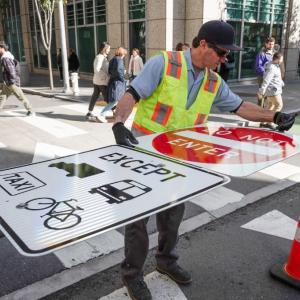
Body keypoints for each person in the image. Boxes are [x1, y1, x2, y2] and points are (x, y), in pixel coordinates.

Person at [111, 20, 296, 300]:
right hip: (145, 158)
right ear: (203, 45)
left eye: (227, 55)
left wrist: (274, 116)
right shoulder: (164, 63)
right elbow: (131, 94)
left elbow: (240, 106)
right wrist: (118, 123)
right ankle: (132, 276)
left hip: (181, 160)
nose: (225, 59)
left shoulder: (212, 81)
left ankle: (166, 261)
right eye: (222, 53)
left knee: (173, 216)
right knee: (138, 222)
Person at [0, 41, 34, 116]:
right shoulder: (6, 57)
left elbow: (11, 71)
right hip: (8, 82)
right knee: (2, 97)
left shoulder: (5, 58)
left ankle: (30, 110)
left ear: (2, 48)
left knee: (21, 97)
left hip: (11, 82)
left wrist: (12, 82)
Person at [97, 46, 127, 123]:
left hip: (113, 82)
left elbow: (110, 71)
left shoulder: (113, 59)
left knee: (116, 100)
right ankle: (102, 114)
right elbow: (119, 71)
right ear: (122, 53)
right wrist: (123, 76)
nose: (124, 56)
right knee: (114, 101)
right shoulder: (119, 60)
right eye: (124, 54)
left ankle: (116, 114)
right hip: (117, 83)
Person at [258, 52, 285, 129]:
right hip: (273, 91)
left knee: (271, 106)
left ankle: (263, 122)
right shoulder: (272, 67)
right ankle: (270, 122)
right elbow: (266, 79)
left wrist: (282, 83)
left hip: (272, 90)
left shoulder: (273, 65)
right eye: (281, 59)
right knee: (279, 105)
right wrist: (261, 91)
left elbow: (277, 78)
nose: (282, 61)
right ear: (278, 59)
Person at [86, 42, 111, 122]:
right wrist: (105, 76)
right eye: (108, 49)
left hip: (97, 81)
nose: (109, 50)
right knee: (108, 98)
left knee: (95, 97)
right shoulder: (100, 57)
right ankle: (111, 113)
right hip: (101, 82)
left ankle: (89, 112)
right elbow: (97, 69)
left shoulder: (101, 57)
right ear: (104, 49)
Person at [255, 37, 275, 106]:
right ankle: (259, 109)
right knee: (262, 93)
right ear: (266, 44)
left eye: (272, 44)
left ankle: (265, 109)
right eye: (269, 44)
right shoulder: (262, 53)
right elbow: (258, 66)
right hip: (262, 76)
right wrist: (265, 74)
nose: (271, 46)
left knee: (269, 93)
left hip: (271, 76)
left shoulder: (274, 53)